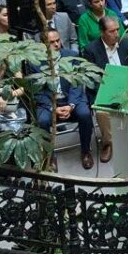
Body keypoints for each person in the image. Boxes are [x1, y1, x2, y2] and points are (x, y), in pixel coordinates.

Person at [84, 17, 128, 159]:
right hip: (106, 91)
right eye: (112, 31)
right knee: (101, 112)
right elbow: (91, 79)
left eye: (117, 29)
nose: (116, 33)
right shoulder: (91, 50)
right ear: (102, 32)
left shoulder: (127, 43)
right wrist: (109, 91)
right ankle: (108, 143)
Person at [37, 29, 96, 169]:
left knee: (85, 114)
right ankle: (50, 156)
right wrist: (54, 108)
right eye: (52, 42)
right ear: (43, 44)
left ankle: (86, 151)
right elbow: (37, 91)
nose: (57, 44)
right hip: (49, 102)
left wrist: (70, 105)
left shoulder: (72, 56)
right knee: (42, 120)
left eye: (58, 40)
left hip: (71, 98)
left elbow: (77, 83)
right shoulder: (35, 63)